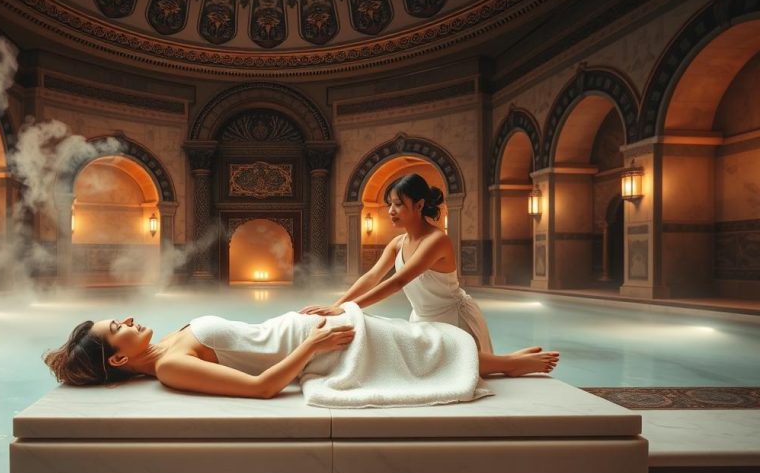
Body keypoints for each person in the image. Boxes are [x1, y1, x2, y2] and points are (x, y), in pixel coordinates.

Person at [300, 173, 559, 377]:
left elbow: (398, 281)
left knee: (454, 367)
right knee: (427, 367)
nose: (391, 210)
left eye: (398, 204)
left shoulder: (437, 241)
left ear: (420, 205)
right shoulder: (399, 243)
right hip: (422, 320)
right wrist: (336, 306)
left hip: (452, 317)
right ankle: (512, 359)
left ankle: (511, 364)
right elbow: (371, 276)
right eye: (390, 204)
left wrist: (346, 309)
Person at [42, 305, 491, 407]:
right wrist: (312, 346)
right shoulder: (170, 367)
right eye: (117, 329)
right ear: (118, 360)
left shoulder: (168, 342)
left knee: (416, 339)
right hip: (316, 350)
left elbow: (250, 336)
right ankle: (505, 364)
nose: (127, 319)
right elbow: (261, 388)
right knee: (418, 345)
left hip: (304, 329)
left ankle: (503, 362)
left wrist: (303, 318)